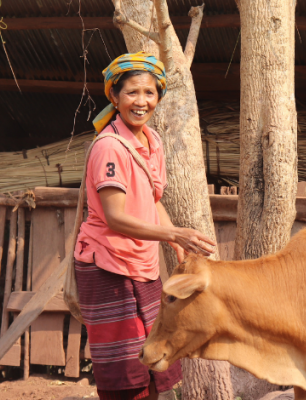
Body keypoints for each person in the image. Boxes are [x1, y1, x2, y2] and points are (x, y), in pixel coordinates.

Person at [74, 52, 216, 400]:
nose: (142, 102)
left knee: (155, 365)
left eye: (149, 93)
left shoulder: (151, 142)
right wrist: (172, 233)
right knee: (124, 377)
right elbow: (115, 217)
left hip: (143, 268)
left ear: (159, 96)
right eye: (132, 93)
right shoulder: (110, 147)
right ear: (115, 97)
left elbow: (151, 199)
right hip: (107, 267)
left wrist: (176, 243)